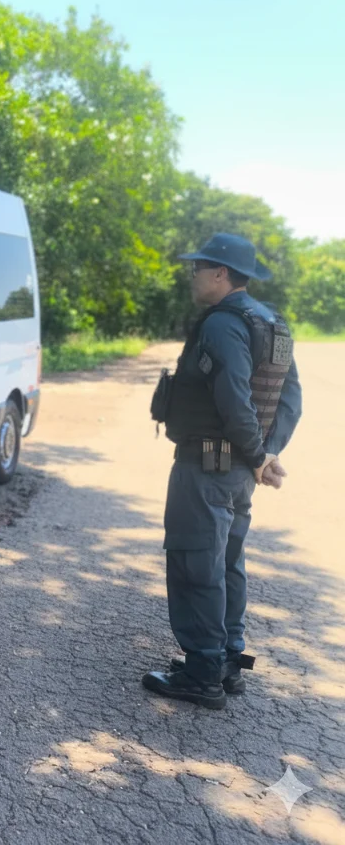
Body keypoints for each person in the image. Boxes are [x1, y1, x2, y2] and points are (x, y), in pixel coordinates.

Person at [144, 233, 302, 710]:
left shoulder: (222, 325)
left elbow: (233, 396)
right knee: (228, 562)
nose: (192, 276)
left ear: (220, 274)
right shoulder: (271, 322)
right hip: (238, 473)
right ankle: (228, 660)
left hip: (207, 468)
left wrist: (258, 456)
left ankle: (202, 673)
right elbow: (290, 398)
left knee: (196, 564)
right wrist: (265, 454)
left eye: (198, 268)